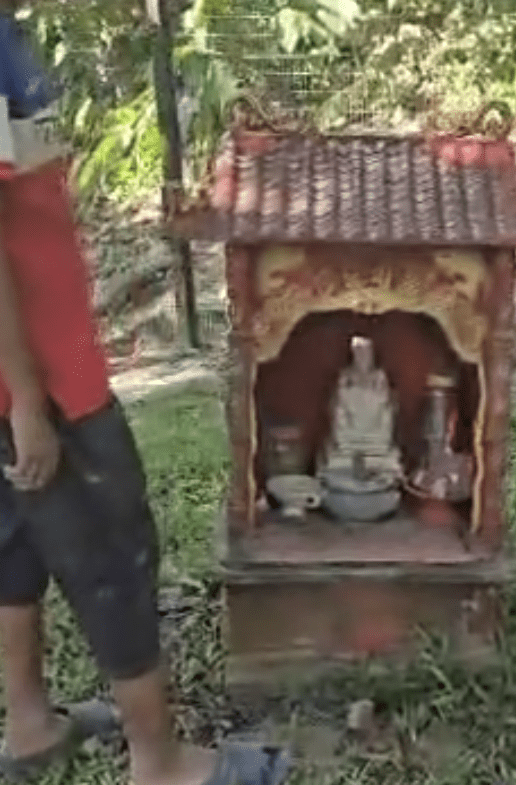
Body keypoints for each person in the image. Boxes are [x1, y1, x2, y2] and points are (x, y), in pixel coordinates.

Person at [0, 4, 290, 784]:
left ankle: (29, 724)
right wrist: (29, 399)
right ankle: (160, 762)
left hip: (27, 365)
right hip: (41, 373)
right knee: (108, 549)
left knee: (16, 543)